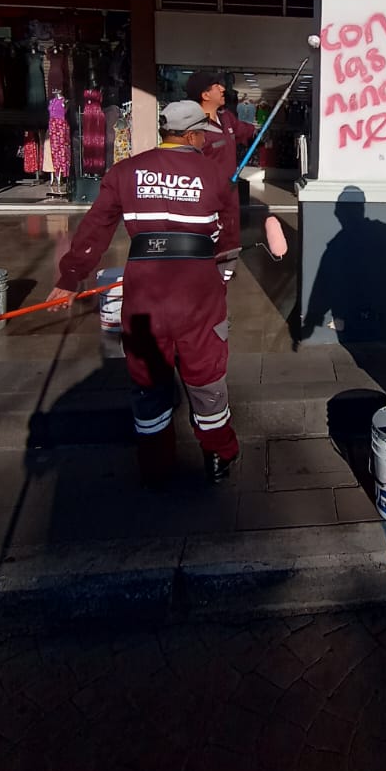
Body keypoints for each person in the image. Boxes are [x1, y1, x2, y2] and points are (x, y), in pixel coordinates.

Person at [46, 100, 240, 488]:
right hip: (198, 296)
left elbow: (95, 228)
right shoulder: (216, 175)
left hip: (145, 297)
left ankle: (155, 467)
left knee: (148, 382)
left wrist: (70, 277)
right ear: (190, 135)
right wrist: (222, 276)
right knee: (205, 377)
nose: (204, 138)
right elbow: (227, 237)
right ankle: (218, 454)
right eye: (202, 133)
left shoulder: (125, 172)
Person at [185, 70, 257, 280]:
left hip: (229, 199)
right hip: (208, 201)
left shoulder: (226, 118)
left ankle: (223, 282)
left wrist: (257, 131)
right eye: (217, 86)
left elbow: (244, 131)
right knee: (208, 248)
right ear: (205, 95)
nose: (223, 88)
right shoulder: (194, 128)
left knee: (230, 241)